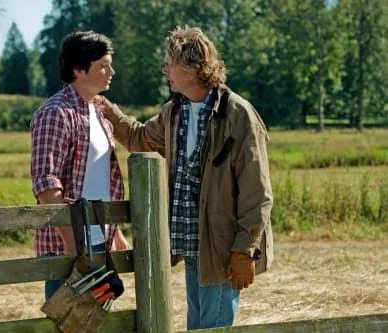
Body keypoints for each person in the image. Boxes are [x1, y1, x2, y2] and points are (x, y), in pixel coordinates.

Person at [100, 26, 273, 330]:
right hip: (192, 244)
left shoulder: (238, 114)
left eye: (170, 63)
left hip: (223, 247)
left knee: (212, 327)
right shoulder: (175, 111)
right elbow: (139, 138)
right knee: (198, 325)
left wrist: (244, 250)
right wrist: (108, 110)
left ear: (191, 69)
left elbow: (256, 191)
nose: (165, 70)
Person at [30, 31, 130, 300]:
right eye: (103, 66)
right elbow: (46, 185)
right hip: (68, 248)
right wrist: (75, 247)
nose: (112, 71)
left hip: (100, 243)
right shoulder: (55, 113)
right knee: (69, 325)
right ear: (78, 69)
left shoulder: (99, 115)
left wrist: (115, 233)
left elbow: (99, 180)